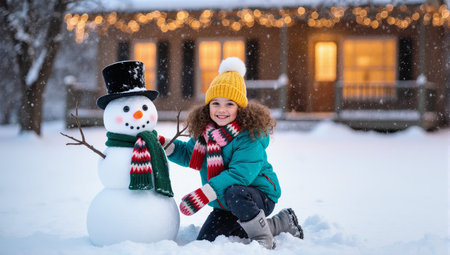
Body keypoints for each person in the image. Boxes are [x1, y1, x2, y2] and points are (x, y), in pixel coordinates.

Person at [161, 57, 303, 249]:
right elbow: (189, 154)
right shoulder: (206, 132)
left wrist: (205, 194)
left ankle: (264, 238)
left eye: (230, 104)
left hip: (257, 196)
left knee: (234, 191)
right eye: (215, 103)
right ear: (208, 106)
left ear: (240, 108)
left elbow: (239, 175)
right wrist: (165, 145)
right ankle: (283, 222)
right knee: (206, 240)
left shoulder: (250, 136)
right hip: (224, 201)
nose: (221, 110)